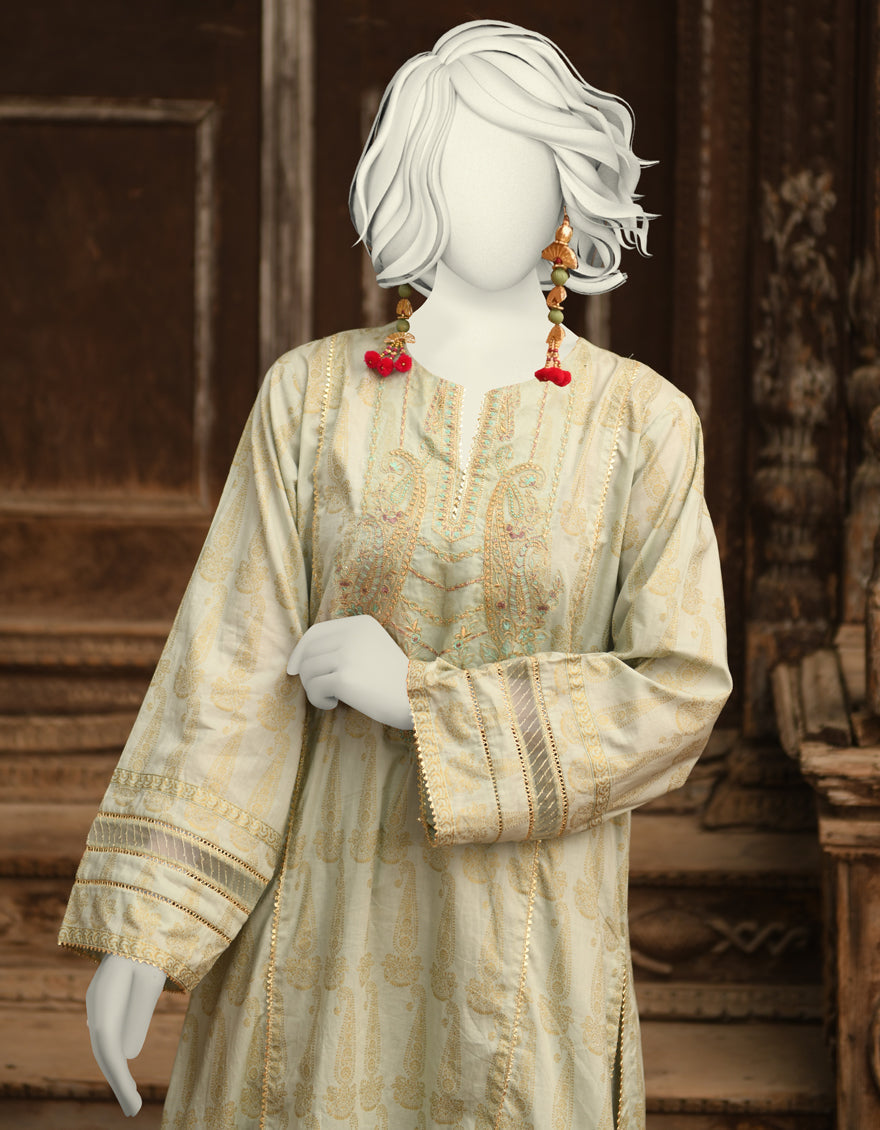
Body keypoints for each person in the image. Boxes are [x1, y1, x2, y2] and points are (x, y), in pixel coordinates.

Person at [59, 19, 732, 1128]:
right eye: (460, 159)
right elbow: (230, 669)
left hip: (529, 953)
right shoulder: (311, 397)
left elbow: (676, 687)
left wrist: (420, 701)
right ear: (413, 176)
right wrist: (145, 932)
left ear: (567, 185)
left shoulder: (639, 422)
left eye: (520, 161)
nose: (489, 194)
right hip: (314, 940)